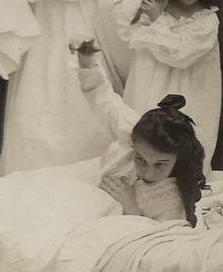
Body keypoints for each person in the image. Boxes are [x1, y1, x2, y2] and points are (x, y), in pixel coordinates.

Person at [0, 0, 112, 175]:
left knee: (75, 105)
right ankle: (31, 175)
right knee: (36, 104)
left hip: (75, 39)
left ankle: (77, 175)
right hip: (42, 42)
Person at [103, 0, 223, 174]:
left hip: (188, 92)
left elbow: (180, 54)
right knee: (142, 137)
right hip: (149, 88)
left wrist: (158, 20)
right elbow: (117, 9)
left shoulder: (206, 21)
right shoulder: (157, 3)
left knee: (180, 146)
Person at [72, 41, 205, 226]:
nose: (148, 173)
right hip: (93, 199)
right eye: (140, 159)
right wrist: (87, 63)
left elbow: (161, 239)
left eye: (160, 164)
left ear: (177, 158)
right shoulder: (133, 133)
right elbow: (106, 102)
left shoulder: (173, 199)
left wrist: (131, 207)